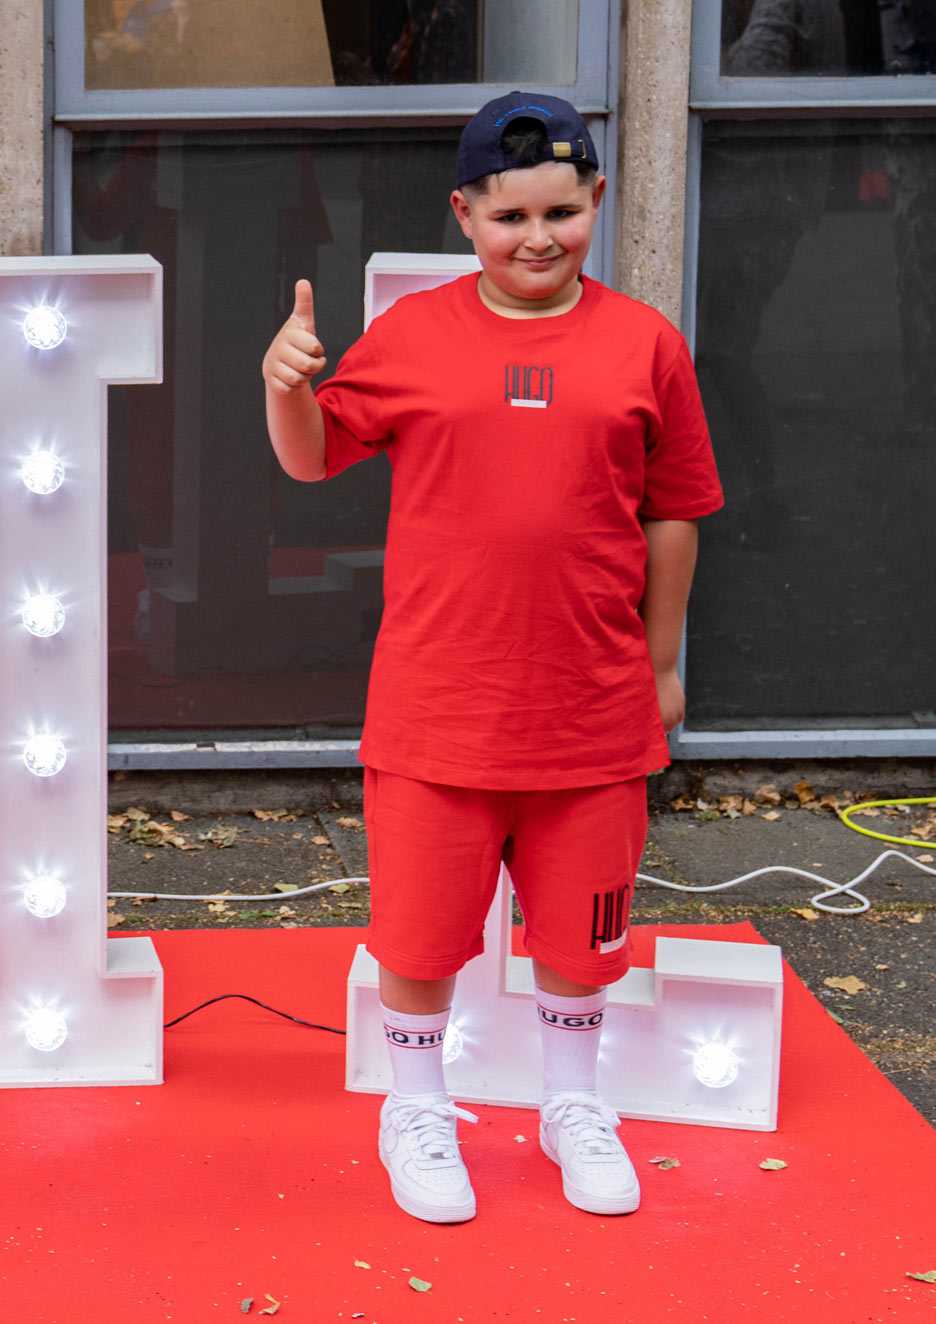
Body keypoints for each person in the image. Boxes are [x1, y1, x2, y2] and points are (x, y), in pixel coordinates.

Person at [259, 92, 724, 1223]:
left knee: (582, 936)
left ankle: (571, 1099)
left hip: (590, 711)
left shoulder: (642, 345)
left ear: (595, 205)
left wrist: (660, 663)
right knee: (419, 935)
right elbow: (315, 457)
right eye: (508, 213)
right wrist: (284, 388)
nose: (535, 237)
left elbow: (674, 512)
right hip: (438, 708)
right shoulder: (415, 335)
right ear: (462, 214)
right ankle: (413, 1104)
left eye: (560, 212)